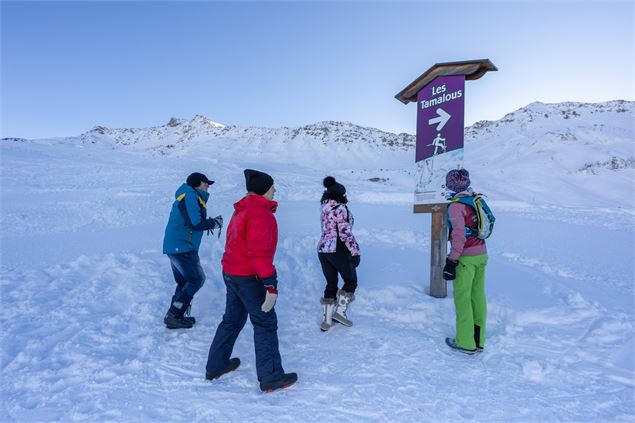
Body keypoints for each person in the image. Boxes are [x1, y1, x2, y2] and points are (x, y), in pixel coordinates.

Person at [205, 169, 297, 393]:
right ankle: (271, 376)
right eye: (272, 186)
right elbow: (258, 253)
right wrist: (270, 284)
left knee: (231, 320)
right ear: (263, 189)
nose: (275, 190)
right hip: (250, 277)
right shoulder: (260, 213)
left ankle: (216, 366)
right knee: (265, 323)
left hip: (233, 273)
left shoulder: (242, 209)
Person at [162, 172, 223, 329]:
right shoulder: (190, 196)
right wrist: (213, 223)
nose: (208, 186)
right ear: (197, 184)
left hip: (176, 245)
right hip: (182, 246)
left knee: (184, 281)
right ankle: (174, 314)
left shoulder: (188, 195)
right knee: (196, 279)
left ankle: (175, 315)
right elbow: (195, 223)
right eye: (205, 183)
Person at [442, 168, 489, 354]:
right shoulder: (476, 199)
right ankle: (479, 340)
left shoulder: (456, 205)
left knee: (462, 299)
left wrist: (452, 260)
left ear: (452, 185)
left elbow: (459, 236)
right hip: (482, 255)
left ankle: (465, 343)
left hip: (465, 258)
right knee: (478, 297)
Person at [317, 176, 360, 331]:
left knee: (331, 283)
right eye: (344, 194)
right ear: (339, 195)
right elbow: (345, 233)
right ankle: (340, 313)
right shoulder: (341, 209)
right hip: (338, 248)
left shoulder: (324, 208)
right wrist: (355, 252)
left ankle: (326, 321)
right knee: (351, 280)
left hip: (323, 249)